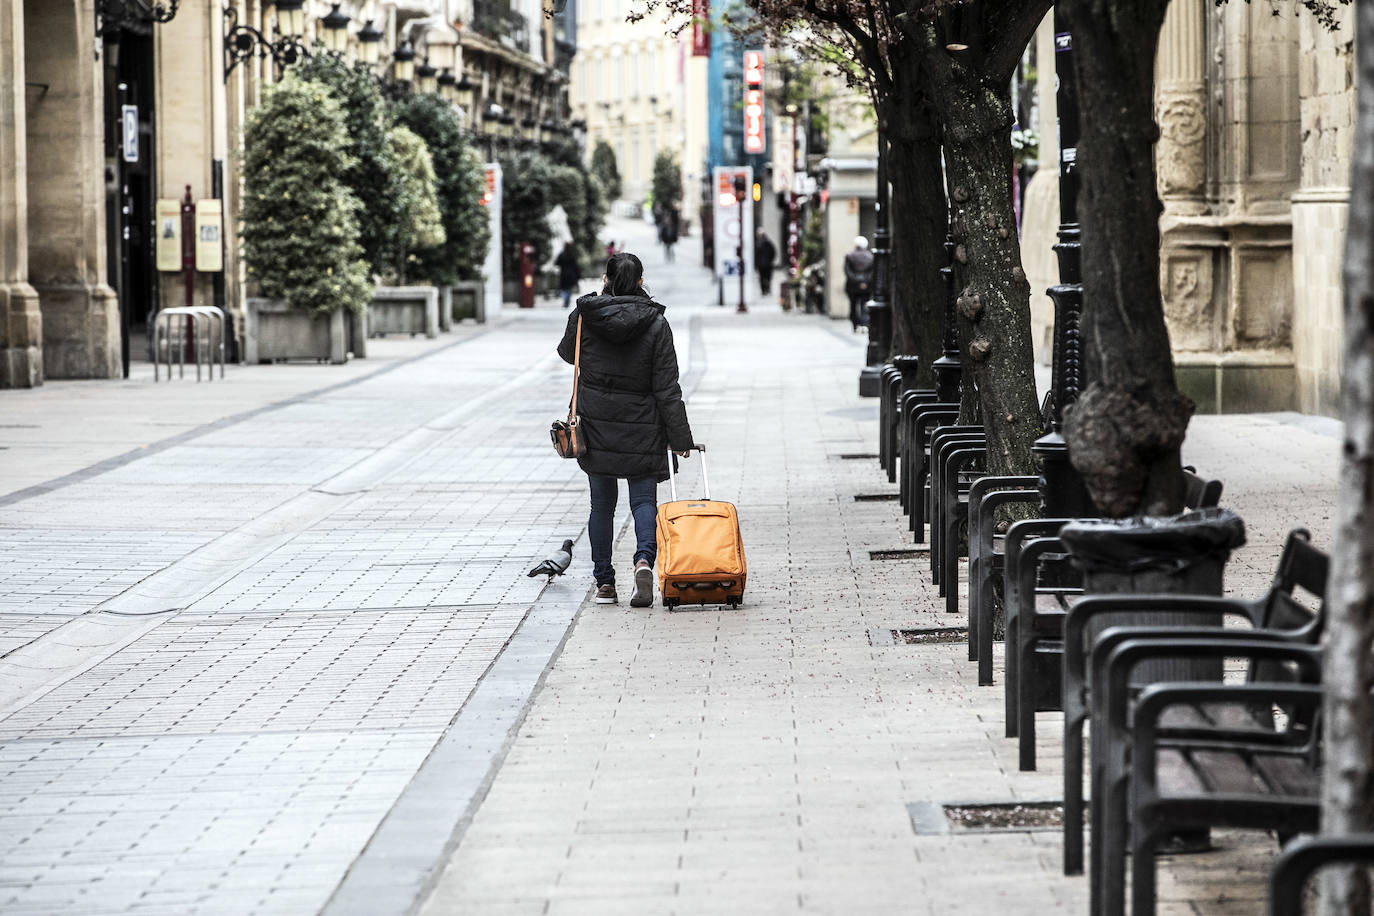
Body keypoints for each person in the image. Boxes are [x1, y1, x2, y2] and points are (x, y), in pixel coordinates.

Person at [557, 252, 694, 608]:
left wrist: (589, 307)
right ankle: (644, 561)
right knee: (644, 501)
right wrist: (680, 437)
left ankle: (604, 583)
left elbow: (567, 354)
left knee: (601, 505)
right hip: (643, 425)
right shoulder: (656, 323)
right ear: (640, 282)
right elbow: (668, 387)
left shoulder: (587, 316)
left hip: (596, 423)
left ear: (606, 280)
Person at [843, 235, 875, 332]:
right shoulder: (870, 257)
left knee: (853, 305)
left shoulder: (849, 256)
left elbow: (847, 271)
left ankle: (855, 325)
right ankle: (864, 324)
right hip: (866, 286)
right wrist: (864, 282)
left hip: (852, 286)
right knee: (864, 304)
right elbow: (872, 272)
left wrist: (857, 282)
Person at [555, 243, 581, 308]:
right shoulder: (572, 255)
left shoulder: (561, 254)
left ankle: (565, 299)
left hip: (563, 273)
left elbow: (557, 263)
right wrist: (578, 274)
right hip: (571, 274)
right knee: (569, 288)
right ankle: (567, 300)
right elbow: (575, 265)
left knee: (564, 288)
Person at [754, 230, 777, 297]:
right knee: (763, 277)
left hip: (766, 263)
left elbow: (773, 252)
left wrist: (770, 260)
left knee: (766, 277)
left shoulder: (766, 243)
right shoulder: (758, 243)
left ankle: (766, 290)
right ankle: (765, 290)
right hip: (763, 264)